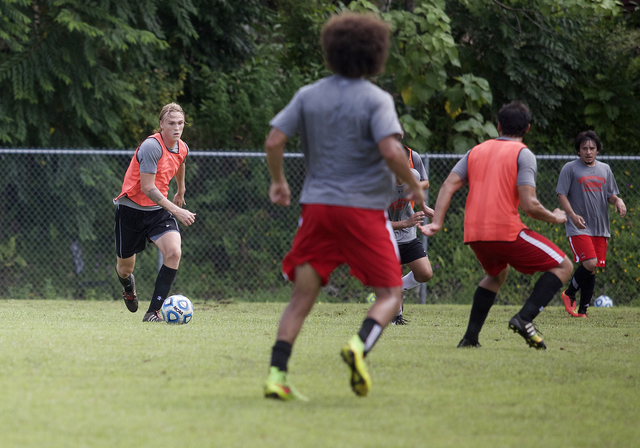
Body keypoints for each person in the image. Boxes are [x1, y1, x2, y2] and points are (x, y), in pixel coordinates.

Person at [263, 12, 425, 401]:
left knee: (301, 298)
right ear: (376, 53)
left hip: (317, 207)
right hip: (363, 210)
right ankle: (359, 346)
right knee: (389, 294)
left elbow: (273, 141)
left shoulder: (309, 94)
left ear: (330, 51)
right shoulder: (377, 99)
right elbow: (390, 149)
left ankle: (276, 375)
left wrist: (279, 182)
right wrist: (416, 186)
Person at [421, 101, 573, 350]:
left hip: (474, 233)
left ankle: (470, 338)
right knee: (564, 265)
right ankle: (524, 318)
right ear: (528, 128)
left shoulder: (476, 151)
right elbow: (529, 205)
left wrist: (437, 222)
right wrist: (555, 217)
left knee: (495, 275)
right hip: (505, 230)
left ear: (499, 126)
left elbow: (448, 184)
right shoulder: (523, 154)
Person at [113, 102, 196, 322]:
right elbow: (148, 188)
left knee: (174, 253)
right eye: (171, 123)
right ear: (161, 125)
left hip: (158, 210)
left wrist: (181, 189)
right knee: (124, 269)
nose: (176, 128)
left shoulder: (182, 146)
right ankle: (128, 287)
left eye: (180, 123)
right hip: (131, 210)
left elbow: (181, 162)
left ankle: (153, 312)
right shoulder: (152, 147)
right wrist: (177, 210)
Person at [557, 130, 626, 317]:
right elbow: (561, 194)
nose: (588, 151)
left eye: (592, 148)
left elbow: (610, 195)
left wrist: (618, 201)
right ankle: (568, 294)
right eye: (584, 148)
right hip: (578, 226)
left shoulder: (605, 169)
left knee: (592, 268)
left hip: (600, 227)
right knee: (590, 262)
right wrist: (571, 215)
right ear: (578, 151)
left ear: (597, 150)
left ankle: (583, 311)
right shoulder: (570, 168)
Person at [386, 135, 434, 324]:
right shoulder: (380, 183)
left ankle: (396, 288)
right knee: (391, 275)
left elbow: (418, 187)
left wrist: (424, 208)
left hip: (407, 235)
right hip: (385, 235)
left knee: (425, 273)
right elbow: (374, 221)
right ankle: (395, 317)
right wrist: (405, 223)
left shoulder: (413, 175)